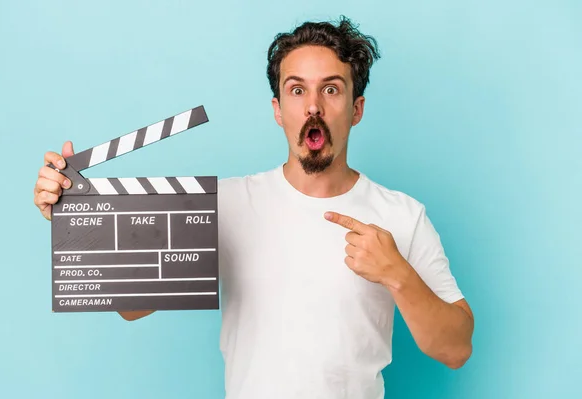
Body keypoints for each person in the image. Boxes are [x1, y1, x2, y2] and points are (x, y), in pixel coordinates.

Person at [33, 16, 474, 399]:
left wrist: (397, 273)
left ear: (356, 109)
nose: (314, 106)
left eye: (332, 90)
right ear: (278, 110)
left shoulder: (402, 214)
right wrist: (76, 216)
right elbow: (132, 307)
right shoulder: (226, 205)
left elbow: (455, 349)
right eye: (297, 90)